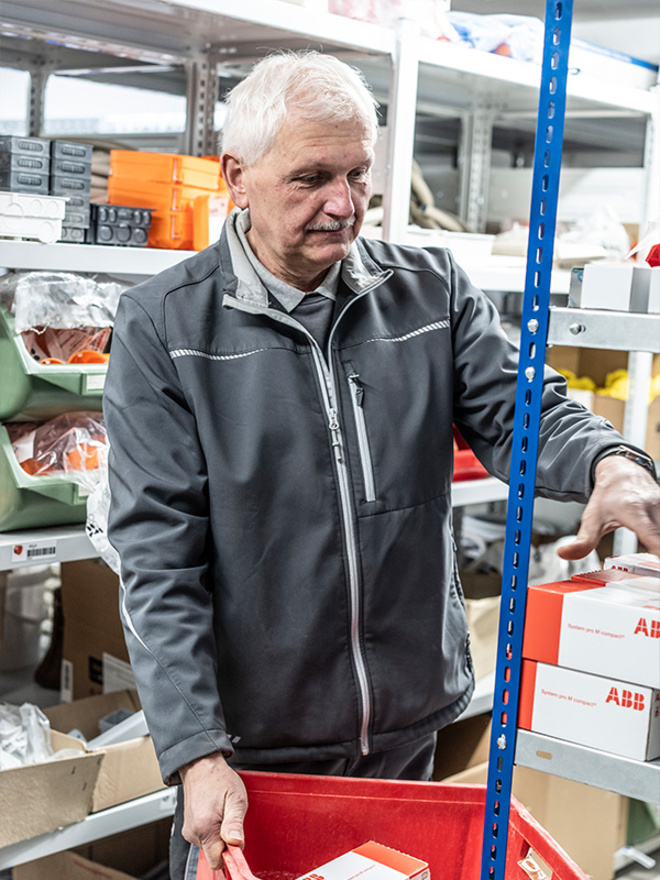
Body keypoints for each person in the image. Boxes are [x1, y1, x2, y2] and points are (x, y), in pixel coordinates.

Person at [103, 50, 660, 878]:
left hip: (404, 728)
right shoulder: (165, 327)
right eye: (313, 177)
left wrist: (610, 460)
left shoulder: (429, 291)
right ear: (237, 177)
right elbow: (157, 557)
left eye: (359, 175)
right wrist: (195, 752)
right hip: (252, 752)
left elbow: (520, 410)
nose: (343, 204)